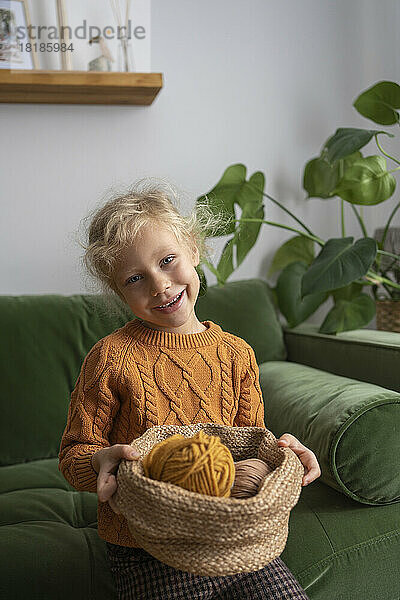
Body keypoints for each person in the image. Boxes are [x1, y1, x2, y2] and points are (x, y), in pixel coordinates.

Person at [58, 179, 321, 600]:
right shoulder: (111, 358)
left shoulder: (237, 355)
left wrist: (281, 458)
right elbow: (73, 455)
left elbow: (248, 447)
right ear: (117, 291)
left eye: (167, 260)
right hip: (142, 543)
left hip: (231, 537)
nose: (159, 285)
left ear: (194, 249)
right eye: (134, 278)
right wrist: (101, 462)